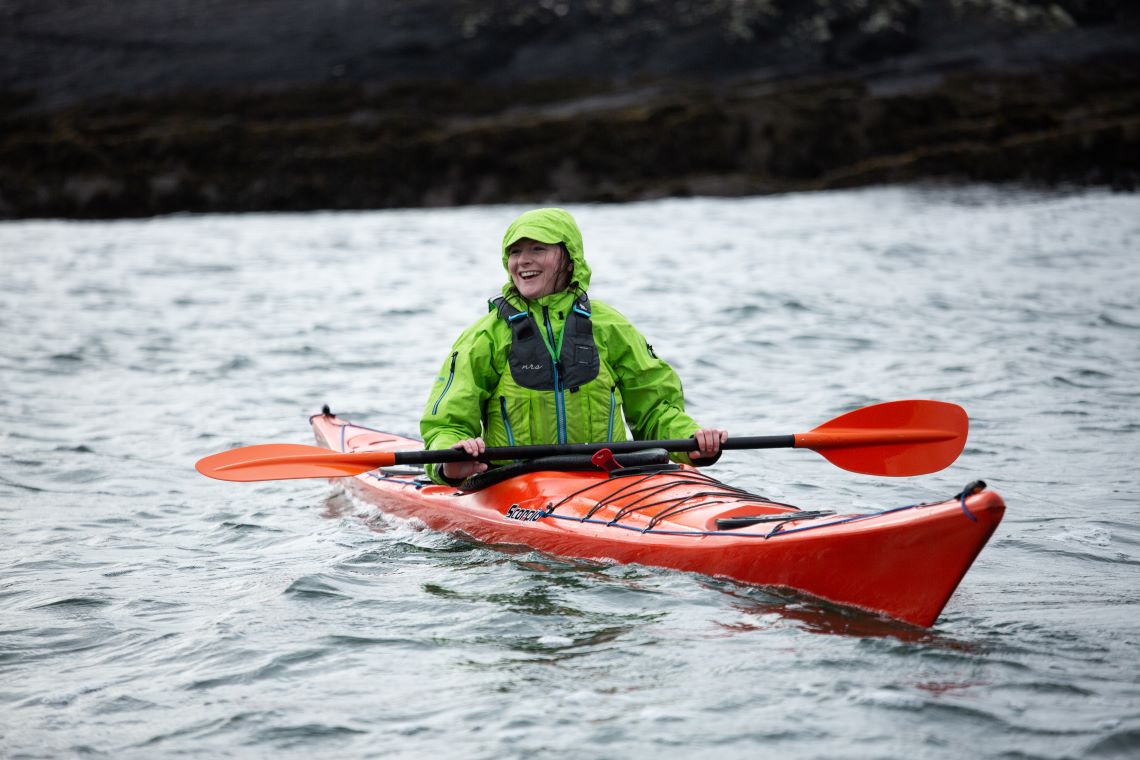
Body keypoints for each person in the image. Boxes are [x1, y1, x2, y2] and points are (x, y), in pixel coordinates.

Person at [420, 207, 726, 484]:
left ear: (569, 259)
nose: (523, 260)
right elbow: (448, 421)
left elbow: (654, 409)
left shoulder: (609, 326)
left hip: (611, 479)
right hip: (518, 484)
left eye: (537, 249)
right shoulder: (485, 336)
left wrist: (690, 441)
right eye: (515, 252)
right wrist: (451, 458)